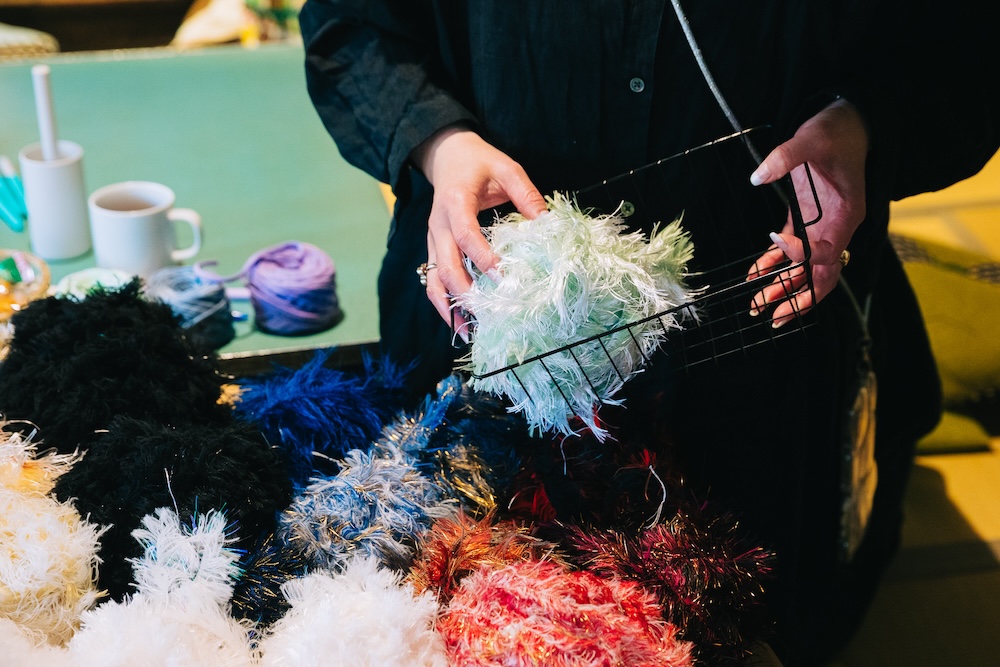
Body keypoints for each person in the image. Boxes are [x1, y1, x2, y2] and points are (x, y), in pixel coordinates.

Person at [298, 2, 998, 664]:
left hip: (767, 340)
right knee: (471, 605)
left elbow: (968, 46)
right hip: (493, 331)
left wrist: (863, 124)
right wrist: (440, 142)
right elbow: (352, 24)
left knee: (767, 619)